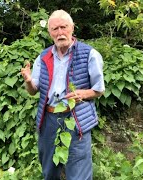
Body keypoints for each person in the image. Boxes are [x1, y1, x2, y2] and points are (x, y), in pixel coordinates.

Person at [20, 9, 105, 180]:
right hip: (49, 120)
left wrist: (83, 93)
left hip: (76, 119)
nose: (60, 33)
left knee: (79, 172)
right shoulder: (43, 57)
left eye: (63, 27)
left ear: (72, 28)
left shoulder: (89, 54)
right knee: (49, 171)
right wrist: (29, 81)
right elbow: (32, 91)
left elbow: (99, 89)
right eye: (55, 29)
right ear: (49, 32)